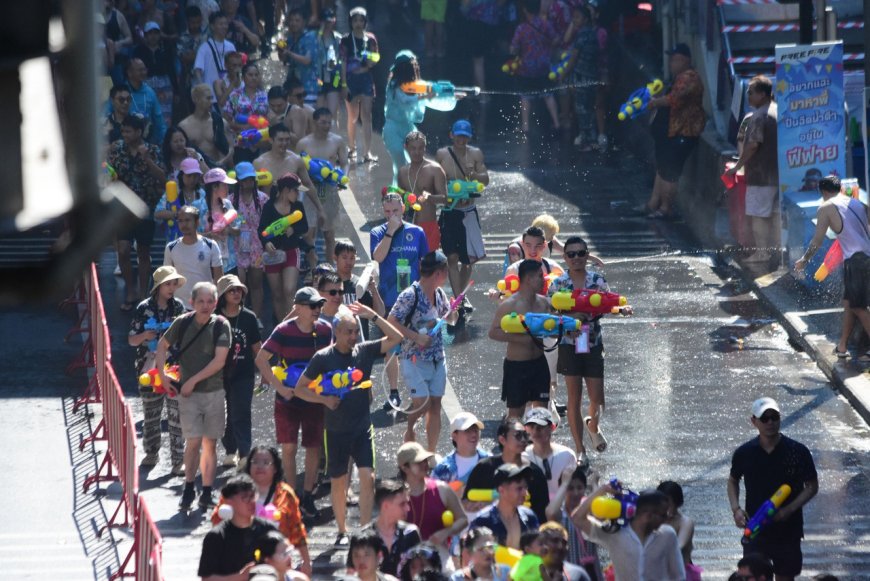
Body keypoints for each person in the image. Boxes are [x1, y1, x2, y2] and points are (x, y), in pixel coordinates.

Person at [294, 305, 404, 546]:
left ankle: (364, 531)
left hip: (362, 428)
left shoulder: (363, 351)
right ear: (336, 332)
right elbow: (300, 388)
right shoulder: (323, 358)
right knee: (338, 481)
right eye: (348, 332)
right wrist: (324, 400)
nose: (354, 336)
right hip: (335, 431)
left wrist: (372, 316)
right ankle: (342, 531)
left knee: (367, 477)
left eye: (355, 331)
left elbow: (397, 337)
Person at [547, 236, 628, 464]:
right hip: (569, 343)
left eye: (580, 253)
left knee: (597, 397)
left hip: (592, 341)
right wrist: (570, 319)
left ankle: (592, 424)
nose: (576, 258)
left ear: (587, 255)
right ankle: (580, 449)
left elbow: (610, 304)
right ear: (565, 257)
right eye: (571, 254)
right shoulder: (559, 283)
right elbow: (549, 313)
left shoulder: (597, 280)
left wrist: (621, 309)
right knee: (574, 397)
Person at [255, 287, 332, 520]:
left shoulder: (325, 330)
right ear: (298, 308)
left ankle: (307, 496)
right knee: (289, 447)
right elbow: (261, 359)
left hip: (313, 398)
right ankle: (291, 495)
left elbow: (329, 361)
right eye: (313, 306)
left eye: (319, 305)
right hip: (287, 399)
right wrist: (280, 388)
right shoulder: (283, 331)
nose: (317, 309)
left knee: (313, 446)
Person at [155, 281, 232, 511]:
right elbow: (162, 346)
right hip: (189, 397)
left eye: (210, 301)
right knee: (193, 442)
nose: (205, 306)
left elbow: (219, 361)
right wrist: (162, 376)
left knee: (210, 444)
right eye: (201, 301)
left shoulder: (222, 325)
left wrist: (192, 381)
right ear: (192, 302)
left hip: (213, 393)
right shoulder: (183, 322)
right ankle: (189, 488)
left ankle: (206, 492)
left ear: (215, 303)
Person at [728, 397, 819, 581]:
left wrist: (789, 510)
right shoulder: (744, 452)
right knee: (754, 577)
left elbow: (812, 486)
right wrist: (736, 509)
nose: (770, 422)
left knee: (785, 576)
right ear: (754, 421)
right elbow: (733, 480)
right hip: (756, 528)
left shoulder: (797, 451)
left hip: (788, 530)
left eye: (774, 417)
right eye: (765, 418)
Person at [388, 251, 459, 450]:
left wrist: (453, 311)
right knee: (423, 404)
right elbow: (391, 321)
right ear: (438, 273)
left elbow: (451, 320)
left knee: (435, 405)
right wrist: (416, 337)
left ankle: (431, 452)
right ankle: (410, 429)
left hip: (437, 357)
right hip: (413, 358)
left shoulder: (439, 294)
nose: (447, 275)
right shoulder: (410, 295)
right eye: (446, 271)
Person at [795, 175, 870, 361]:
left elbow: (817, 240)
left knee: (858, 307)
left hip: (856, 261)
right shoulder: (856, 203)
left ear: (823, 192)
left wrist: (804, 259)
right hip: (864, 257)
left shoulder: (826, 207)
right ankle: (842, 346)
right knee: (849, 304)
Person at [212, 445, 312, 577]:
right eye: (255, 462)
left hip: (277, 563)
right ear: (249, 466)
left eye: (266, 462)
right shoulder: (234, 491)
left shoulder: (286, 494)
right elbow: (216, 522)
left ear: (275, 468)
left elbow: (297, 530)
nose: (260, 466)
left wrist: (306, 561)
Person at [370, 191, 429, 410]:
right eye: (387, 211)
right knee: (391, 346)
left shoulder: (417, 232)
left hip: (413, 299)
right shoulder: (378, 232)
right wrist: (390, 232)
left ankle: (419, 389)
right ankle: (394, 392)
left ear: (403, 208)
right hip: (389, 298)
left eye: (395, 210)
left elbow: (425, 264)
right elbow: (377, 257)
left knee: (417, 344)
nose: (391, 215)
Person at [128, 266, 187, 473]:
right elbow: (131, 340)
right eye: (167, 284)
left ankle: (178, 459)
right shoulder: (143, 308)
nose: (171, 288)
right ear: (158, 286)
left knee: (177, 416)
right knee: (151, 414)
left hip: (173, 368)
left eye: (174, 284)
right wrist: (145, 336)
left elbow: (185, 336)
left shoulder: (178, 307)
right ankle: (151, 453)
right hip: (148, 370)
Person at [109, 113, 167, 311]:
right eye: (123, 131)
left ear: (139, 132)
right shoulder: (117, 150)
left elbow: (163, 178)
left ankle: (143, 295)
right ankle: (130, 291)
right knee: (123, 249)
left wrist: (147, 159)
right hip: (123, 208)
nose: (125, 134)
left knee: (143, 251)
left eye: (128, 131)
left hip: (145, 208)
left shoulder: (153, 150)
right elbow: (108, 172)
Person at [640, 43, 705, 219]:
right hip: (670, 134)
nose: (671, 64)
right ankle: (654, 203)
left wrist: (654, 102)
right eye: (672, 60)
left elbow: (673, 99)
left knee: (670, 172)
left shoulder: (689, 78)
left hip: (682, 133)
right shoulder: (678, 78)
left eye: (676, 60)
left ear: (686, 61)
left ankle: (666, 208)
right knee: (663, 168)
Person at [573, 486, 685, 580]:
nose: (666, 518)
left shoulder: (667, 535)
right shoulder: (615, 535)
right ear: (648, 516)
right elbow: (578, 518)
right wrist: (603, 490)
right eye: (663, 515)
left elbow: (679, 576)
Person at [725, 75, 779, 265]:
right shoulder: (778, 111)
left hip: (761, 176)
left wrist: (738, 166)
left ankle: (762, 253)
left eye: (751, 92)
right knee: (775, 216)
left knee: (758, 216)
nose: (748, 96)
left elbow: (753, 144)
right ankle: (777, 254)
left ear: (762, 94)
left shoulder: (758, 116)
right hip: (780, 176)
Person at [435, 119, 489, 310]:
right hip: (450, 212)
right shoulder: (442, 154)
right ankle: (457, 301)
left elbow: (485, 179)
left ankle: (461, 296)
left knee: (468, 261)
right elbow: (436, 179)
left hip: (468, 213)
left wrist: (473, 175)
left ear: (469, 137)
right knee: (452, 257)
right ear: (452, 135)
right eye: (458, 136)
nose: (461, 140)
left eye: (465, 136)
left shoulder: (475, 154)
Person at [254, 122, 322, 270]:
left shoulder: (296, 160)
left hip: (291, 210)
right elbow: (253, 190)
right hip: (269, 211)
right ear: (271, 140)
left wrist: (320, 209)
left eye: (287, 139)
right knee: (267, 242)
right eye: (280, 140)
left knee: (307, 237)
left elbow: (308, 185)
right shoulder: (259, 163)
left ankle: (314, 272)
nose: (284, 143)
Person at [489, 259, 552, 419]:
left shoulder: (544, 303)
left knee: (542, 414)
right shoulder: (510, 304)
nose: (543, 279)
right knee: (516, 415)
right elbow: (493, 332)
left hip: (539, 363)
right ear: (528, 279)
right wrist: (520, 339)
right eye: (540, 276)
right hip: (517, 366)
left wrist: (568, 331)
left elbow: (552, 328)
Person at [216, 275, 261, 465]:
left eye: (239, 290)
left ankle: (244, 454)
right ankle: (230, 450)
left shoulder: (249, 317)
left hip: (244, 374)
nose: (236, 293)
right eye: (231, 290)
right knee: (224, 413)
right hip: (218, 374)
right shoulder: (215, 318)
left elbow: (257, 348)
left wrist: (266, 375)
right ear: (222, 295)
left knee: (241, 412)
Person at [197, 473, 277, 580]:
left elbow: (284, 566)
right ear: (229, 501)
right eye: (245, 498)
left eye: (253, 496)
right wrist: (240, 577)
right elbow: (207, 578)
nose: (251, 502)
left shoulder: (269, 530)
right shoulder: (216, 537)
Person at [295, 107, 349, 263]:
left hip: (329, 190)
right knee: (309, 232)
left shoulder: (337, 141)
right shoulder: (303, 143)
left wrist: (342, 177)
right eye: (323, 122)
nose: (326, 126)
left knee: (329, 233)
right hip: (309, 189)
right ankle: (312, 267)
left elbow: (345, 163)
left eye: (329, 122)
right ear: (314, 122)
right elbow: (296, 166)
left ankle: (330, 266)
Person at [258, 172, 311, 320]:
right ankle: (281, 325)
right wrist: (266, 243)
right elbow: (261, 230)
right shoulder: (269, 206)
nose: (298, 194)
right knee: (277, 294)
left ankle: (291, 324)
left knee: (289, 290)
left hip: (291, 251)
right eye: (296, 191)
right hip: (273, 255)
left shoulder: (298, 206)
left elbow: (304, 227)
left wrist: (294, 229)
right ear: (286, 190)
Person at [397, 442, 469, 550]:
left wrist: (447, 532)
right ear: (404, 468)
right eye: (419, 462)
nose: (425, 464)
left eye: (425, 460)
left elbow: (463, 519)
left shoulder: (442, 489)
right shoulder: (396, 497)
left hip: (439, 553)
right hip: (406, 555)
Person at [510, 0, 561, 135]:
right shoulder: (546, 24)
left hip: (526, 68)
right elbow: (556, 39)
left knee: (525, 96)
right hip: (544, 66)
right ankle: (557, 123)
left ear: (525, 9)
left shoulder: (521, 28)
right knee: (548, 95)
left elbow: (514, 48)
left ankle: (525, 127)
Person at [545, 467, 602, 578]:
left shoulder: (589, 512)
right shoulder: (560, 514)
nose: (575, 493)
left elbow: (601, 514)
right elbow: (550, 513)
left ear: (585, 488)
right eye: (570, 488)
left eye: (579, 488)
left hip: (592, 573)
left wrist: (595, 484)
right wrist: (564, 483)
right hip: (569, 575)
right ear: (563, 490)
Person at [163, 205, 224, 307]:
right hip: (179, 307)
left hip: (205, 306)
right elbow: (167, 279)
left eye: (187, 220)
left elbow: (219, 278)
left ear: (197, 222)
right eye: (180, 221)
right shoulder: (170, 248)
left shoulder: (211, 245)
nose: (184, 224)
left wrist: (215, 304)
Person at [398, 131, 448, 253]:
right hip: (407, 225)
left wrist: (430, 197)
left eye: (421, 148)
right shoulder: (402, 172)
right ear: (406, 147)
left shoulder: (435, 169)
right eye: (413, 148)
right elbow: (399, 200)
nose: (417, 152)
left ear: (425, 147)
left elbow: (445, 198)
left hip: (428, 225)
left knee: (429, 263)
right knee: (409, 263)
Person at [230, 161, 269, 318]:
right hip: (237, 244)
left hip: (257, 246)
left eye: (251, 178)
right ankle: (238, 316)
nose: (248, 182)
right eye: (245, 179)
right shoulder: (230, 200)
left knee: (256, 283)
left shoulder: (263, 199)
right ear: (239, 181)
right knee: (239, 283)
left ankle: (256, 318)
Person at [469, 464, 540, 550]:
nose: (525, 493)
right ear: (501, 490)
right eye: (519, 488)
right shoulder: (483, 521)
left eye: (526, 487)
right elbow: (472, 552)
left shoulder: (529, 517)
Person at [341, 6, 379, 164]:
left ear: (365, 22)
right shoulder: (345, 40)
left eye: (361, 20)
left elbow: (375, 58)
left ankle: (367, 152)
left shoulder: (370, 39)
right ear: (351, 22)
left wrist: (369, 62)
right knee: (353, 116)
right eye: (355, 20)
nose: (358, 23)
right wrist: (343, 84)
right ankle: (351, 147)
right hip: (351, 80)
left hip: (366, 80)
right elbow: (343, 62)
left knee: (367, 116)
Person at [363, 479, 422, 577]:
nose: (408, 508)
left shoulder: (411, 534)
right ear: (386, 506)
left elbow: (419, 572)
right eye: (402, 504)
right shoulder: (364, 538)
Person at [383, 51, 428, 182]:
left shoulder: (415, 87)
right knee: (400, 167)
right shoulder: (393, 86)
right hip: (392, 129)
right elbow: (404, 100)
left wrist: (449, 96)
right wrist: (423, 96)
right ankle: (399, 191)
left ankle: (413, 190)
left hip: (408, 128)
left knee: (417, 164)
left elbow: (419, 114)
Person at [334, 239, 385, 340]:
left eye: (352, 258)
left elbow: (380, 313)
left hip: (358, 342)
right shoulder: (328, 284)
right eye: (344, 257)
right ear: (335, 258)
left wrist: (373, 289)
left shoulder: (360, 285)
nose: (348, 262)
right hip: (335, 340)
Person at [521, 407, 576, 500]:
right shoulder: (522, 456)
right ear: (526, 429)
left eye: (540, 426)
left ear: (552, 427)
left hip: (560, 505)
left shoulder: (567, 455)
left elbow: (574, 488)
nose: (535, 431)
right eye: (531, 426)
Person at [565, 4, 598, 151]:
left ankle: (587, 141)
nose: (574, 20)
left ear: (585, 19)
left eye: (577, 17)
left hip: (581, 77)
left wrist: (564, 73)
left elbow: (574, 57)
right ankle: (592, 139)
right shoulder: (592, 33)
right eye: (573, 17)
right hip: (592, 76)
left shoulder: (582, 34)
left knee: (582, 109)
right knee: (589, 108)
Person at [432, 412, 489, 494]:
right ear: (454, 436)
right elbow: (433, 496)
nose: (474, 434)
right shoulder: (443, 469)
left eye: (476, 430)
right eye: (467, 431)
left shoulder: (490, 461)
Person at [179, 83, 234, 168]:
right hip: (195, 171)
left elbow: (231, 147)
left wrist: (222, 162)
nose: (211, 102)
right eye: (208, 98)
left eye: (212, 98)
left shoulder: (220, 122)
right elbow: (179, 152)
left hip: (218, 169)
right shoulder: (184, 126)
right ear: (196, 99)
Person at [134, 21, 176, 129]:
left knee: (165, 114)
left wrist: (176, 90)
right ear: (146, 35)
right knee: (146, 112)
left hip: (165, 84)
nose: (153, 36)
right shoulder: (139, 51)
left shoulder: (166, 50)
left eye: (156, 33)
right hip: (146, 83)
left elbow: (171, 70)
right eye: (150, 33)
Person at [225, 62, 270, 163]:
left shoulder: (265, 96)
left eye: (256, 75)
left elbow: (270, 117)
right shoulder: (235, 95)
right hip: (241, 142)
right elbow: (227, 119)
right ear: (243, 77)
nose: (254, 78)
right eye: (250, 75)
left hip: (261, 142)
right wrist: (242, 127)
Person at [658, 480, 702, 581]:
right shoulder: (655, 520)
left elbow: (678, 546)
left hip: (683, 573)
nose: (664, 506)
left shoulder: (685, 522)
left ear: (677, 503)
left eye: (668, 502)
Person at [204, 166, 243, 274]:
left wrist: (229, 229)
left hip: (229, 263)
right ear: (214, 187)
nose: (227, 188)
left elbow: (238, 230)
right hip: (207, 264)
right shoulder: (198, 206)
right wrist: (209, 235)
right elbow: (192, 234)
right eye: (225, 185)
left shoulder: (228, 204)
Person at [194, 11, 237, 100]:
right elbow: (198, 70)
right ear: (212, 26)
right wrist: (202, 90)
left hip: (230, 94)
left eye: (225, 24)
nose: (224, 26)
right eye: (221, 24)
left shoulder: (231, 46)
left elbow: (236, 68)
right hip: (211, 96)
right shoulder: (204, 47)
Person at [124, 57, 167, 145]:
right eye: (140, 70)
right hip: (125, 140)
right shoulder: (121, 91)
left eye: (144, 69)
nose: (143, 73)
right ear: (129, 73)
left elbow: (159, 120)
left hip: (147, 141)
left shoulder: (150, 92)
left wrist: (163, 141)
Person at [279, 9, 317, 105]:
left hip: (309, 87)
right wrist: (281, 51)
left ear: (304, 22)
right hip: (292, 88)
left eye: (297, 20)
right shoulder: (290, 39)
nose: (293, 23)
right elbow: (283, 59)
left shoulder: (310, 37)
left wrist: (289, 53)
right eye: (291, 20)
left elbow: (307, 60)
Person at [313, 8, 343, 121]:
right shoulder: (315, 37)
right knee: (318, 113)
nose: (328, 24)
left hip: (334, 77)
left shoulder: (338, 38)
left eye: (330, 21)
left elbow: (343, 59)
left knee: (332, 113)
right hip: (319, 78)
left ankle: (332, 129)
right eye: (325, 21)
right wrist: (321, 31)